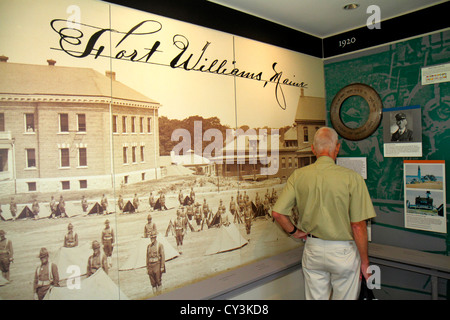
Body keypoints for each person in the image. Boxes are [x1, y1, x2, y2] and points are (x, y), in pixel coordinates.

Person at [272, 127, 376, 300]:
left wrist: (295, 232)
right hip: (343, 251)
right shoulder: (352, 178)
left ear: (313, 149)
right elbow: (358, 225)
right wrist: (365, 263)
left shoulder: (298, 176)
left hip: (313, 249)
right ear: (337, 148)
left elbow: (277, 213)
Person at [146, 229, 165, 295]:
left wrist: (162, 267)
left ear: (155, 237)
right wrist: (147, 268)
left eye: (153, 237)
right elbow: (147, 258)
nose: (152, 238)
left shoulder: (159, 245)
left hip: (157, 265)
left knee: (158, 281)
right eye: (151, 237)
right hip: (150, 266)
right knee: (153, 283)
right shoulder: (148, 246)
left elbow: (162, 256)